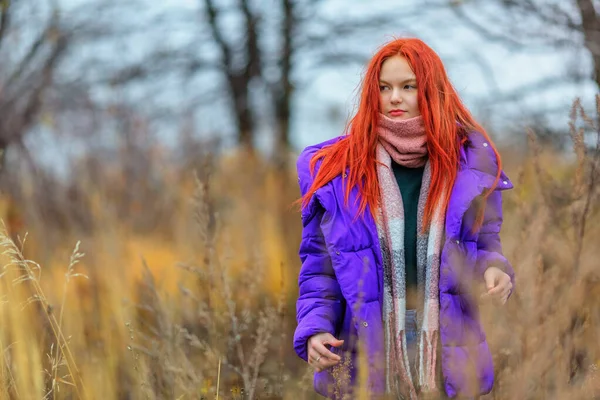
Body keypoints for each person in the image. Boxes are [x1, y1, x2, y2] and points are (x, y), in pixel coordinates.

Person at [293, 38, 515, 399]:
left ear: (430, 90)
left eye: (408, 86)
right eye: (384, 88)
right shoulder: (338, 172)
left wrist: (494, 270)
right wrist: (315, 327)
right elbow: (319, 266)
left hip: (448, 342)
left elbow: (485, 242)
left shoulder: (468, 166)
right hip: (364, 342)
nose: (394, 97)